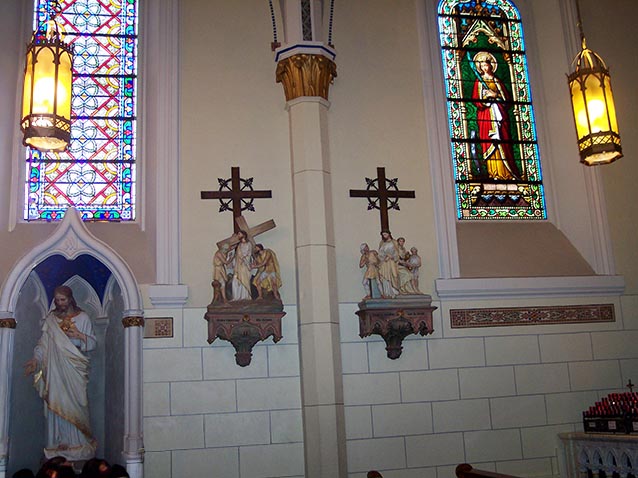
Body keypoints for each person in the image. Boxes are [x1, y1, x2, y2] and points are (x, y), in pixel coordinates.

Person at [24, 286, 97, 462]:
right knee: (57, 402)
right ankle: (58, 442)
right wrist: (35, 359)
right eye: (57, 300)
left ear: (70, 299)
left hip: (74, 368)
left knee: (78, 402)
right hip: (55, 369)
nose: (60, 303)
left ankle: (78, 443)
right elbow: (43, 344)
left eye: (63, 300)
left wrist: (79, 335)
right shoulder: (51, 319)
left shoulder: (83, 317)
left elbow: (93, 343)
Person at [472, 51, 521, 181]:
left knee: (503, 142)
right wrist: (485, 98)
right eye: (482, 66)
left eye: (486, 65)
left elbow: (506, 99)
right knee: (490, 143)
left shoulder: (497, 81)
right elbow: (476, 100)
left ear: (491, 65)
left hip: (499, 114)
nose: (485, 68)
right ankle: (493, 174)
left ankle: (507, 173)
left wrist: (495, 95)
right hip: (486, 116)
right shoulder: (479, 82)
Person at [230, 230, 253, 301]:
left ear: (244, 235)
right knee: (235, 280)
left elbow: (249, 254)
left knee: (244, 280)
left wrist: (244, 259)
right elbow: (236, 255)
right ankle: (236, 297)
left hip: (245, 265)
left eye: (239, 234)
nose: (238, 236)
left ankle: (245, 296)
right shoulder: (239, 245)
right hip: (238, 265)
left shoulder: (249, 244)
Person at [377, 230, 400, 299]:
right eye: (383, 235)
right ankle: (387, 293)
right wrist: (384, 257)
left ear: (389, 234)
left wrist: (391, 256)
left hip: (392, 261)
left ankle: (395, 291)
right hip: (384, 262)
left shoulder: (394, 242)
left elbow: (397, 252)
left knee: (394, 275)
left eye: (385, 234)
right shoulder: (382, 243)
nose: (384, 236)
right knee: (385, 277)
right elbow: (380, 253)